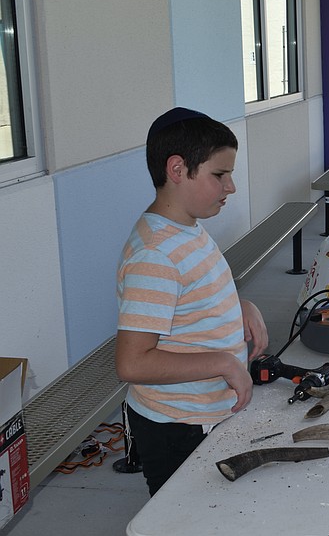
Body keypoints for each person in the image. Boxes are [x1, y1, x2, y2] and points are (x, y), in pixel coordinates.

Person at [115, 107, 268, 496]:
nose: (230, 186)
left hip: (206, 414)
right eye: (220, 174)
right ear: (178, 169)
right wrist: (220, 362)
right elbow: (132, 362)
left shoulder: (186, 230)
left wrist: (240, 306)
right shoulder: (155, 254)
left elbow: (193, 296)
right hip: (177, 427)